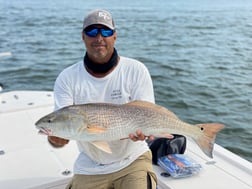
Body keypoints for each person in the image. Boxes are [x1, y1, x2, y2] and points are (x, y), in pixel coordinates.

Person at [48, 9, 157, 189]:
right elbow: (63, 122)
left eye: (105, 31)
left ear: (114, 36)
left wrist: (144, 132)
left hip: (133, 160)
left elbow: (148, 114)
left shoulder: (136, 70)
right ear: (83, 37)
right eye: (92, 31)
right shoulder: (67, 78)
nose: (99, 38)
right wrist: (56, 139)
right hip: (90, 165)